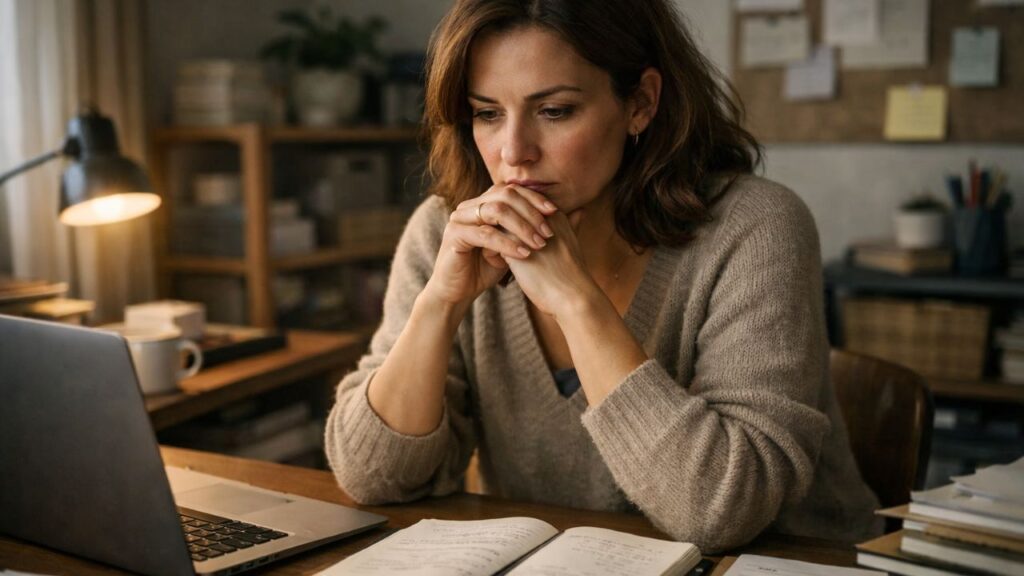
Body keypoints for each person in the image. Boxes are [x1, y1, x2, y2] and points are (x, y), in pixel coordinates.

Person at [325, 0, 881, 553]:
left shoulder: (755, 228)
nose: (513, 153)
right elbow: (372, 476)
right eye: (487, 114)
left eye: (556, 111)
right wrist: (440, 304)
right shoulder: (446, 231)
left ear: (640, 103)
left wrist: (575, 300)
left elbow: (722, 512)